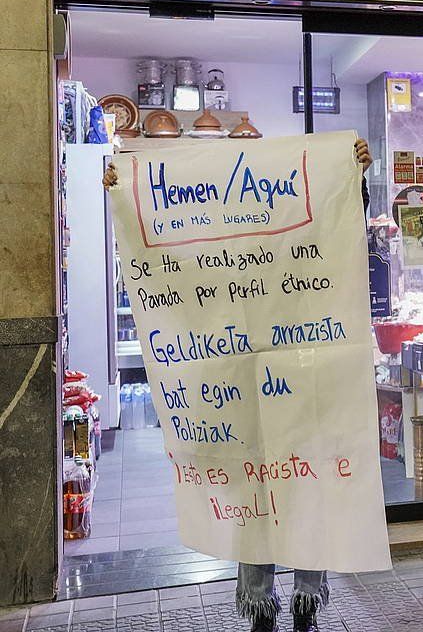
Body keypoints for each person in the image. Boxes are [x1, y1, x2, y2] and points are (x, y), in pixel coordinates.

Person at [104, 137, 373, 632]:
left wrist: (352, 177)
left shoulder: (295, 213)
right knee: (256, 496)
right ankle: (261, 606)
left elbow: (337, 230)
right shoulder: (219, 234)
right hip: (238, 380)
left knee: (306, 490)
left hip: (305, 372)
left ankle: (306, 603)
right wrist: (125, 194)